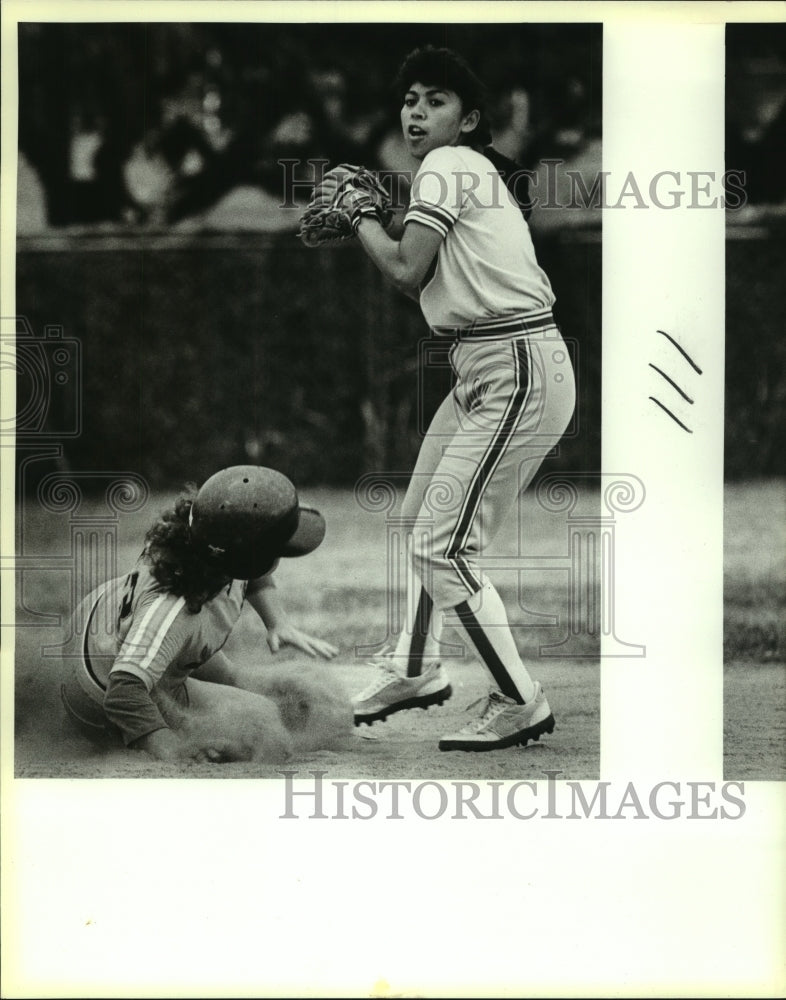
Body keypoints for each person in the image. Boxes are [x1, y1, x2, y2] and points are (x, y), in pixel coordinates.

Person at [350, 46, 576, 752]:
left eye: (436, 100)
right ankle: (415, 666)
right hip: (488, 366)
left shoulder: (449, 166)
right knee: (423, 523)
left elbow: (406, 268)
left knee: (441, 545)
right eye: (410, 98)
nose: (416, 111)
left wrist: (360, 215)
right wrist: (377, 209)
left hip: (516, 367)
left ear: (469, 119)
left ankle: (520, 701)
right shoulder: (460, 172)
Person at [60, 465, 347, 764]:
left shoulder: (205, 538)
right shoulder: (175, 612)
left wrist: (278, 623)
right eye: (276, 548)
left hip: (105, 626)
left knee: (240, 680)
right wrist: (166, 743)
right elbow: (124, 690)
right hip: (100, 690)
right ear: (252, 560)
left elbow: (251, 571)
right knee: (264, 729)